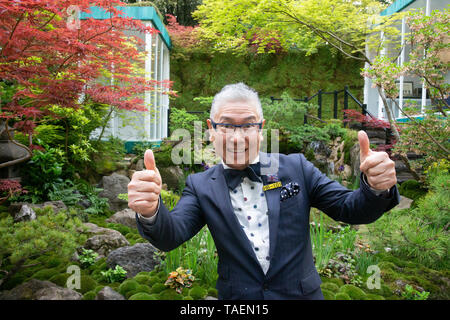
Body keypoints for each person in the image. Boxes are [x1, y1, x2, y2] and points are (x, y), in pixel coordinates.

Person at [128, 83, 399, 300]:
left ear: (260, 129)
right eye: (226, 125)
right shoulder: (200, 186)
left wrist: (376, 187)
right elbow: (170, 236)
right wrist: (151, 211)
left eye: (247, 125)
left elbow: (350, 208)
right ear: (211, 130)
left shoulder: (297, 169)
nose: (237, 137)